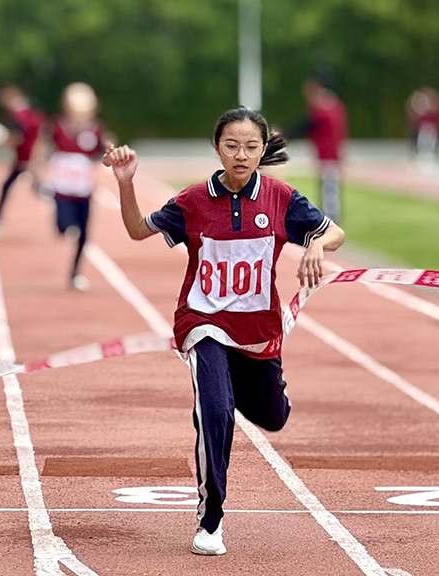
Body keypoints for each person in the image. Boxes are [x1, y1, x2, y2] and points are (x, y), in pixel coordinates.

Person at [104, 107, 346, 555]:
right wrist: (125, 182)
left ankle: (237, 391)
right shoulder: (194, 201)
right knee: (215, 411)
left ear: (262, 150)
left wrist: (314, 244)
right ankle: (210, 519)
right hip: (203, 322)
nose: (241, 154)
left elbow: (336, 233)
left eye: (252, 146)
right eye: (232, 146)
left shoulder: (280, 198)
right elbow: (138, 231)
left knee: (273, 418)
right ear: (217, 148)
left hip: (257, 331)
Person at [37, 82, 107, 291]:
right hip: (62, 188)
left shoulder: (96, 129)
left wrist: (113, 155)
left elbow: (103, 153)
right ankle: (64, 225)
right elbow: (42, 147)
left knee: (84, 234)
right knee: (64, 225)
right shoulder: (57, 125)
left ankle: (75, 273)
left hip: (83, 190)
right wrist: (36, 173)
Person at [0, 84, 44, 231]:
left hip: (25, 157)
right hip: (29, 155)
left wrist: (1, 141)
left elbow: (18, 137)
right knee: (37, 188)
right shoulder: (28, 111)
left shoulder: (16, 115)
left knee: (7, 186)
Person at [296, 77, 347, 223]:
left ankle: (331, 219)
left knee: (329, 188)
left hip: (329, 153)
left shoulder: (323, 106)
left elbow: (309, 125)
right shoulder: (331, 104)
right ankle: (329, 216)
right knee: (328, 187)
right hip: (328, 152)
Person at [407, 87, 439, 161]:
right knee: (421, 143)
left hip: (430, 131)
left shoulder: (432, 113)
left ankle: (430, 155)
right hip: (424, 131)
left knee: (430, 144)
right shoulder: (422, 113)